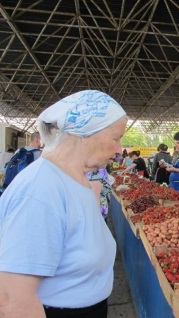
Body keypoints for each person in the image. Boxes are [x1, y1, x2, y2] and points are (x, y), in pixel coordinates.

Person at [0, 90, 127, 317]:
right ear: (86, 133)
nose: (119, 150)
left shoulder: (74, 179)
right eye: (116, 138)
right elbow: (12, 299)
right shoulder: (40, 189)